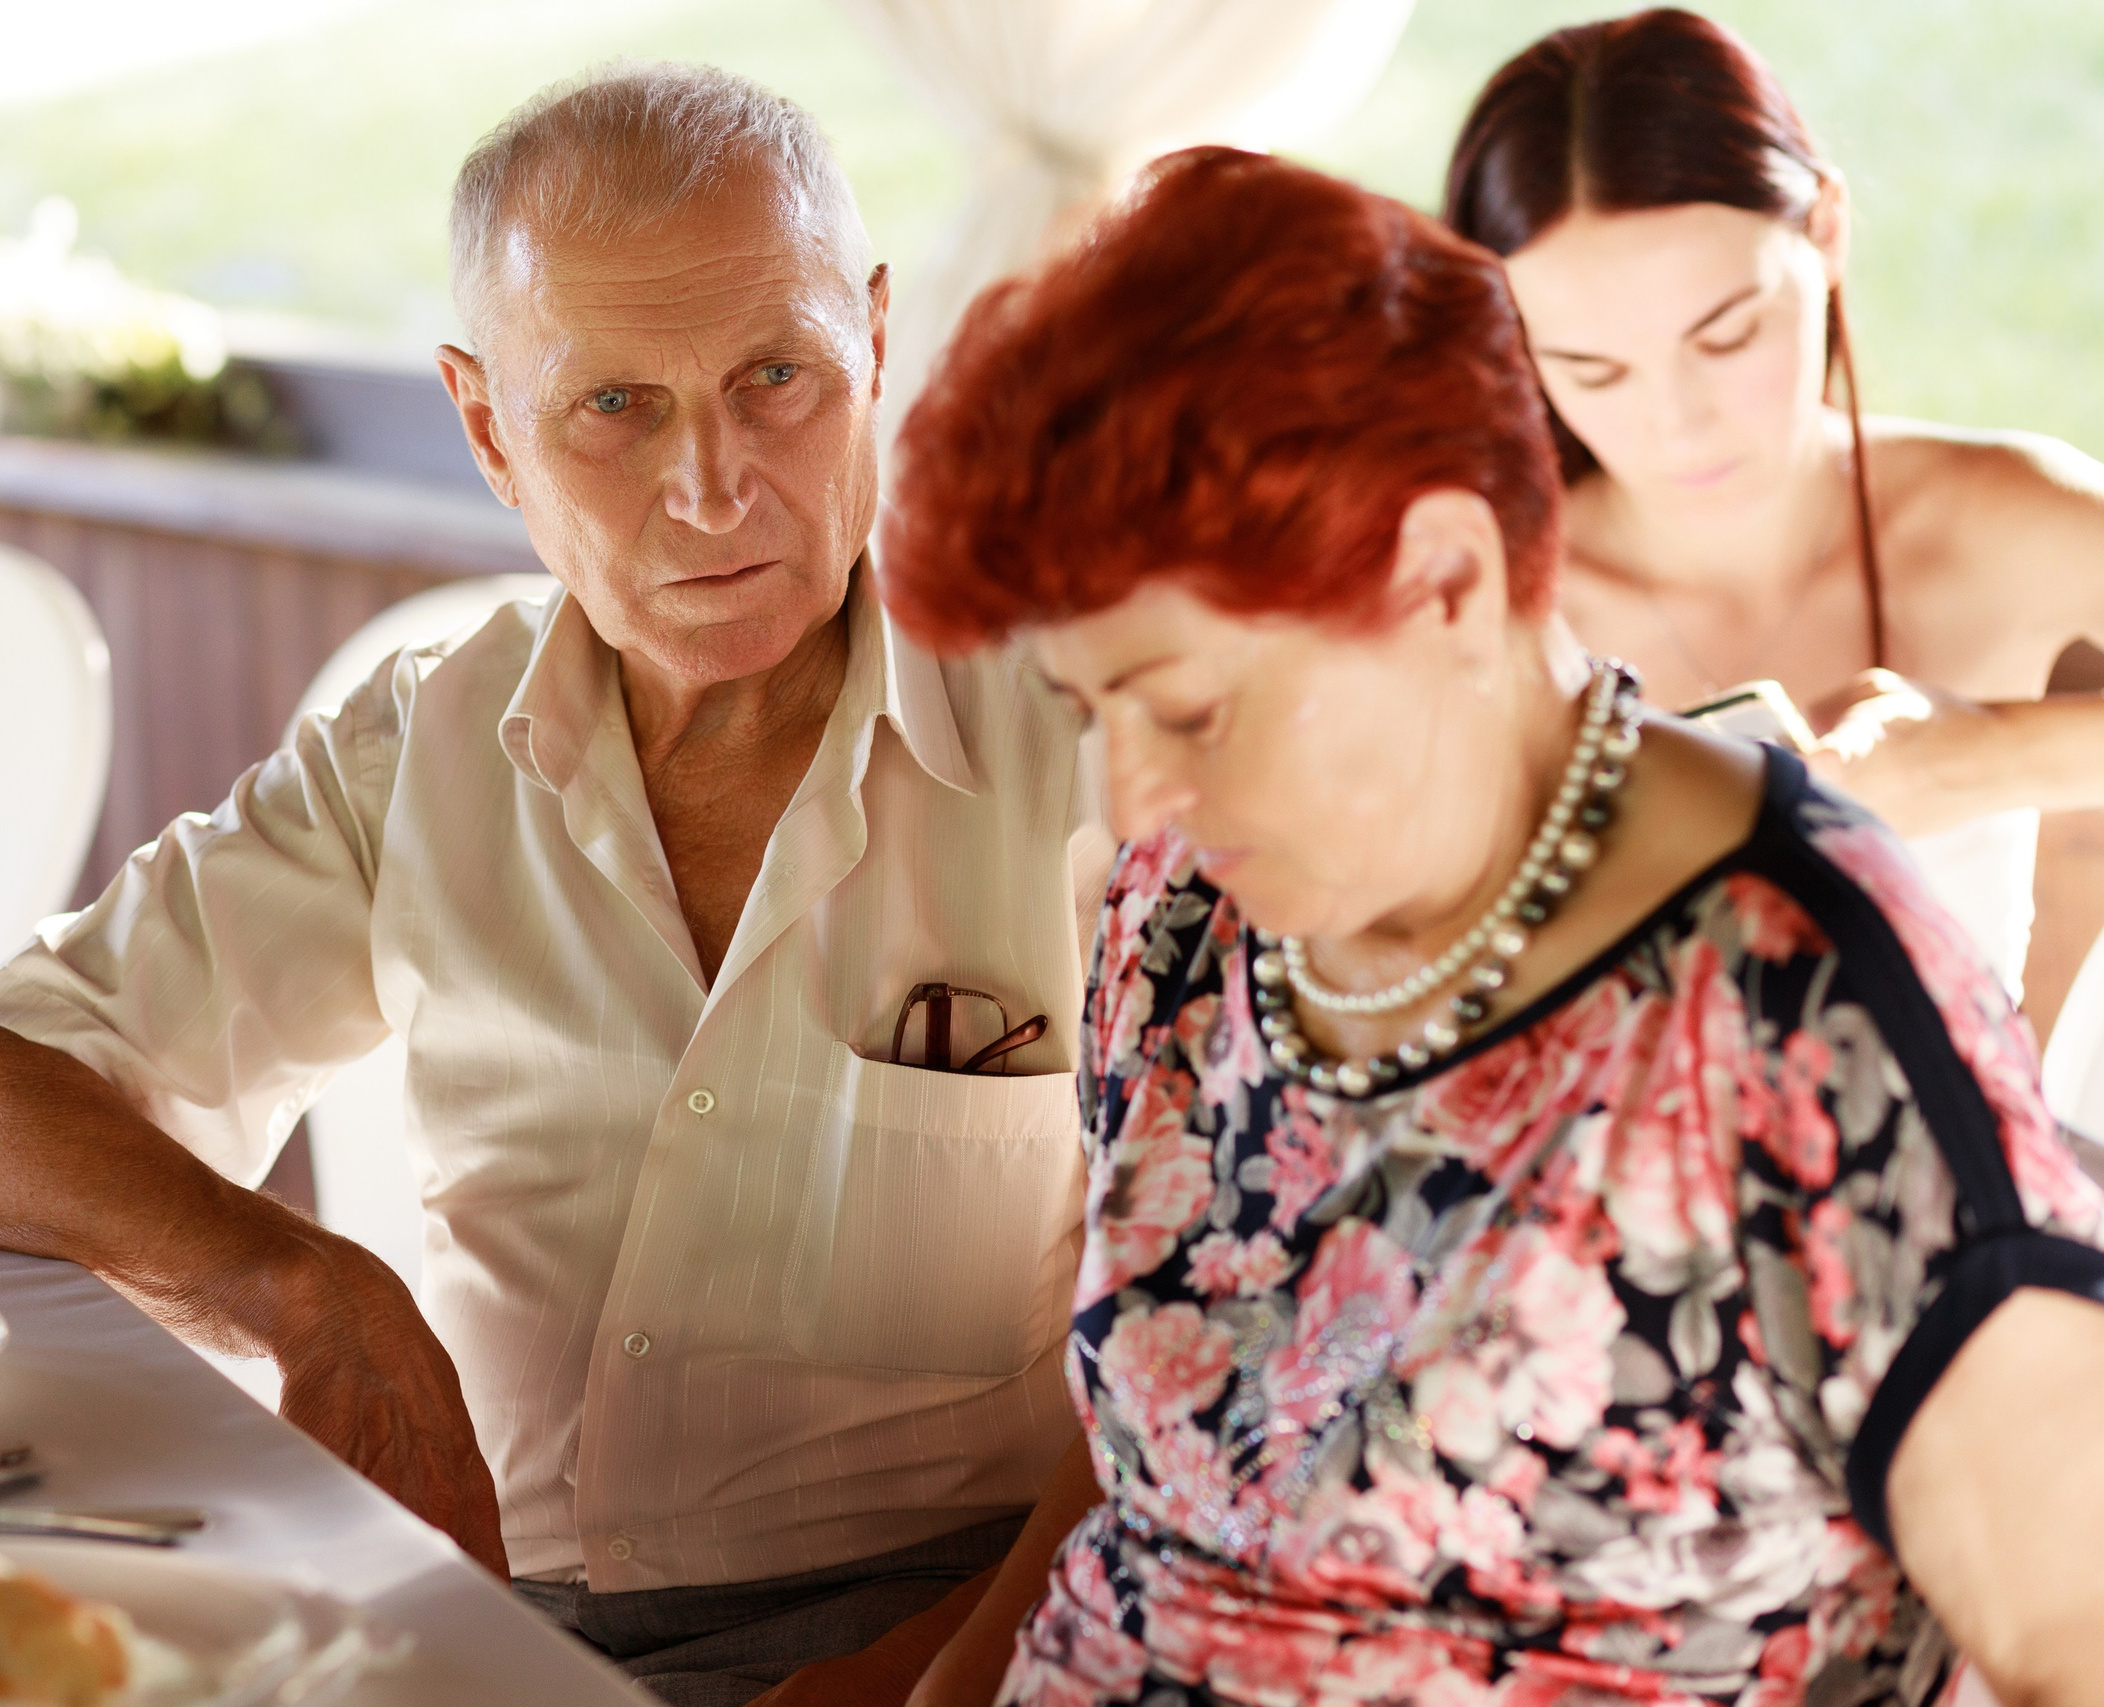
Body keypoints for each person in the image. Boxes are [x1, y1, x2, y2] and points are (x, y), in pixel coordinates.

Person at [0, 65, 1108, 1707]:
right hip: (493, 1640)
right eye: (616, 408)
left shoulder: (1091, 734)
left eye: (776, 375)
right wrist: (310, 1292)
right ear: (486, 425)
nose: (715, 486)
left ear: (875, 337)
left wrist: (937, 1678)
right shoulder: (422, 746)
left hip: (973, 1631)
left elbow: (1233, 1337)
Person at [876, 145, 2104, 1707]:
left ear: (1447, 577)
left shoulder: (1804, 1016)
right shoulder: (1190, 905)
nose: (1135, 789)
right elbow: (1169, 1461)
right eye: (1091, 706)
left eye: (1187, 705)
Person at [1442, 7, 2104, 1010]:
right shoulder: (1486, 610)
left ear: (1826, 231)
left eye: (1726, 335)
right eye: (1591, 368)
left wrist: (1992, 755)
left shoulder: (1998, 523)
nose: (1677, 424)